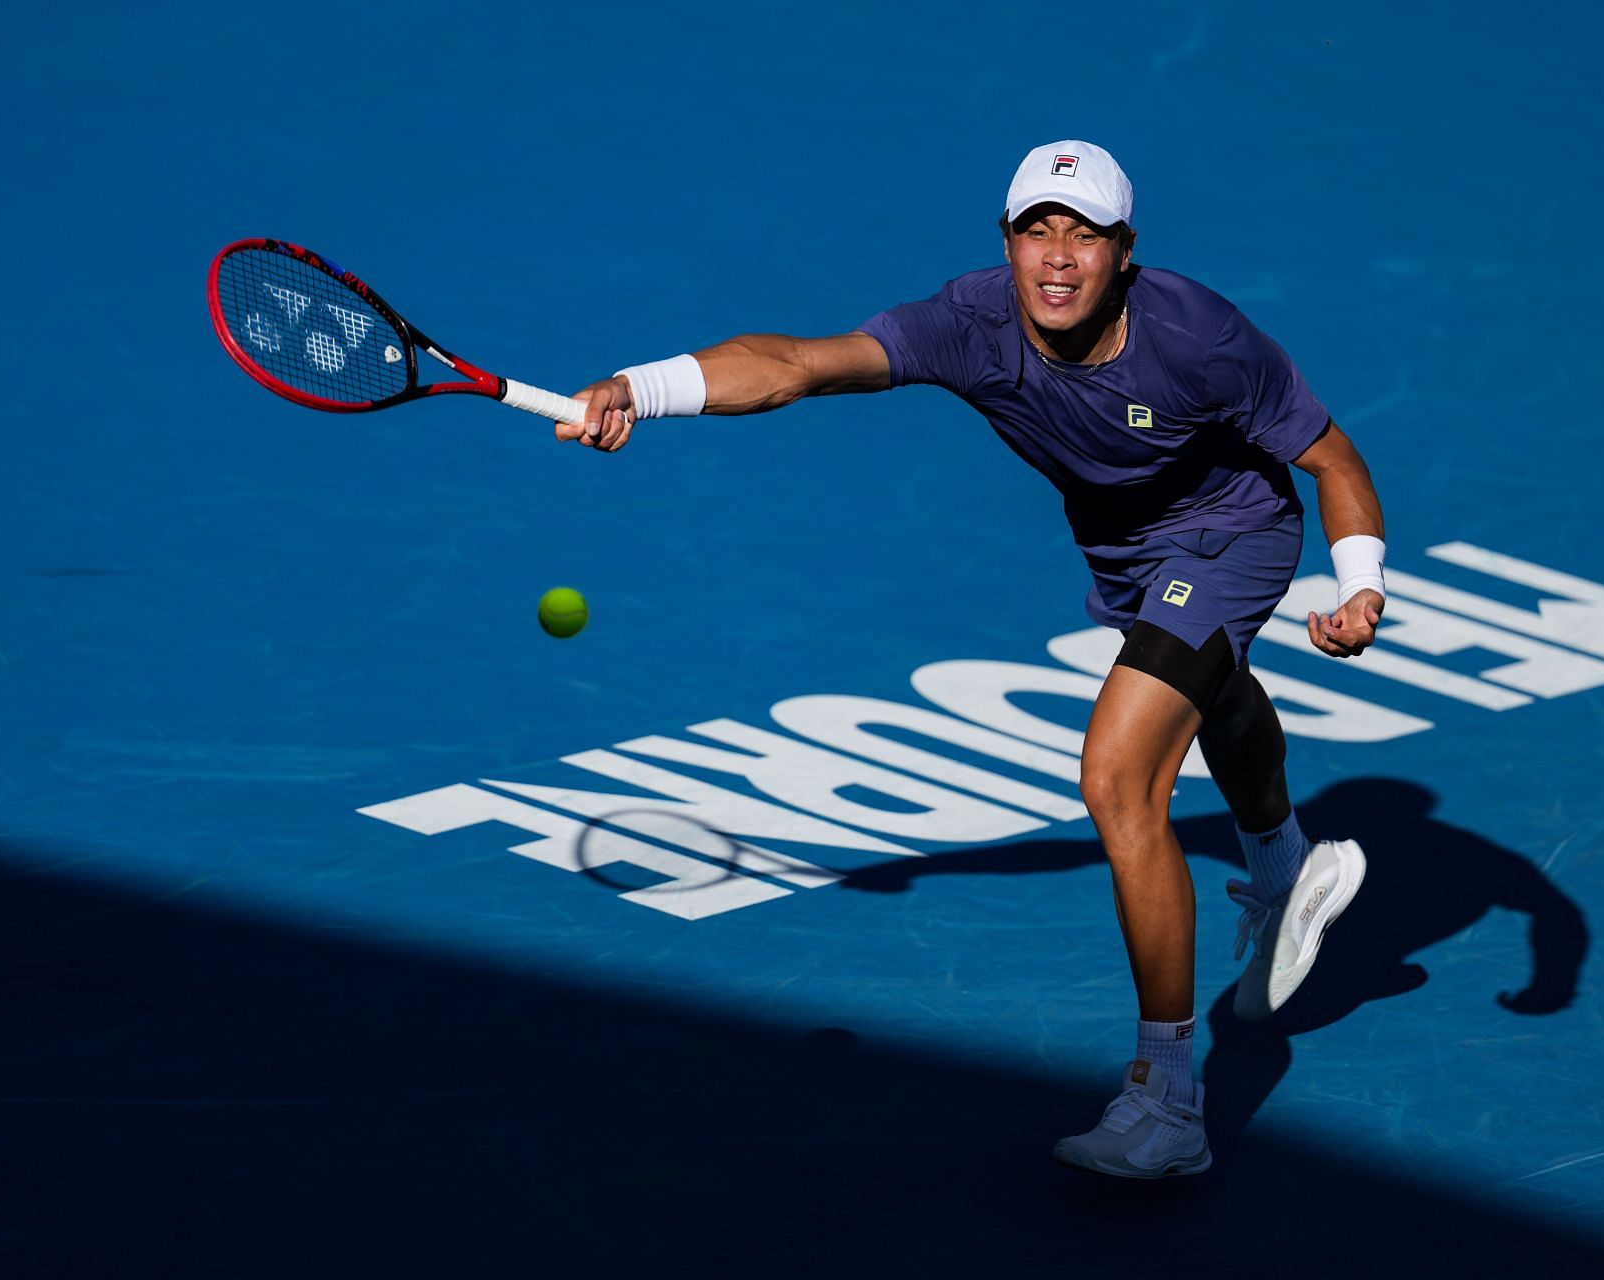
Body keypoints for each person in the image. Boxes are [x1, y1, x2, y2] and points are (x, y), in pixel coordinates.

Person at [562, 140, 1386, 1179]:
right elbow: (797, 365)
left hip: (1231, 536)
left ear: (1125, 254)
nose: (1056, 256)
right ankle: (1286, 862)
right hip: (1124, 546)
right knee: (1207, 687)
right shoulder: (970, 324)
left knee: (1119, 776)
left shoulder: (1200, 338)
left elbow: (1331, 456)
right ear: (1005, 242)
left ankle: (1170, 1101)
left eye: (1083, 235)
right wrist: (642, 385)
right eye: (1036, 229)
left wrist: (1362, 582)